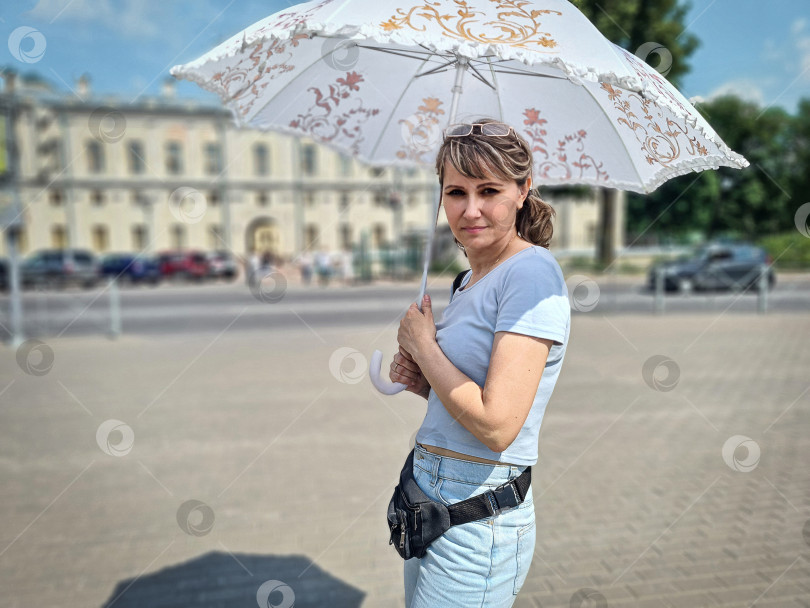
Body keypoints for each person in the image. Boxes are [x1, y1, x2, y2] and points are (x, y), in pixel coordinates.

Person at [389, 119, 570, 607]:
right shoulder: (468, 279)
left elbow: (497, 425)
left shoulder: (530, 274)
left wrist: (425, 347)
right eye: (455, 192)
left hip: (477, 514)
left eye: (489, 190)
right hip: (428, 493)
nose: (470, 209)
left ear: (523, 190)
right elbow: (469, 396)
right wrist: (424, 381)